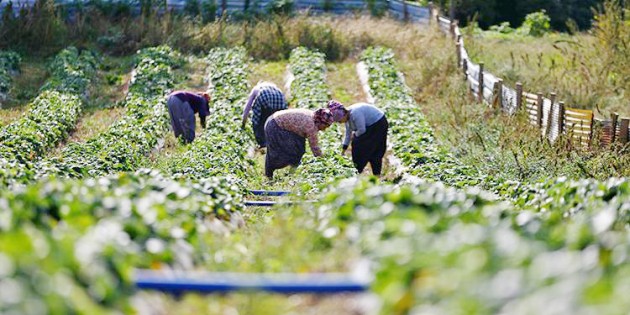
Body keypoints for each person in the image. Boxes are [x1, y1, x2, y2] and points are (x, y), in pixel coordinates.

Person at [263, 108, 334, 179]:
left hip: (276, 122)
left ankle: (291, 174)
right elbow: (315, 148)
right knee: (282, 153)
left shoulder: (314, 117)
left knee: (299, 150)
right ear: (321, 122)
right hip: (275, 125)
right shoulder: (311, 126)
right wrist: (323, 162)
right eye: (325, 126)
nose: (325, 129)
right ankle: (269, 175)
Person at [328, 100, 388, 176]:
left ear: (343, 115)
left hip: (378, 123)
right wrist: (343, 149)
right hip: (368, 126)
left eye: (339, 121)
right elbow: (348, 134)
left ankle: (370, 173)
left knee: (372, 150)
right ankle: (357, 171)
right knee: (359, 144)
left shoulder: (355, 113)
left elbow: (362, 130)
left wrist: (355, 135)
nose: (340, 123)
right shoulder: (347, 119)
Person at [242, 81, 288, 148]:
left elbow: (248, 107)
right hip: (279, 98)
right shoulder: (275, 88)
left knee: (259, 121)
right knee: (277, 122)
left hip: (264, 97)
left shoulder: (256, 89)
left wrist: (243, 122)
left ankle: (263, 143)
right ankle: (278, 141)